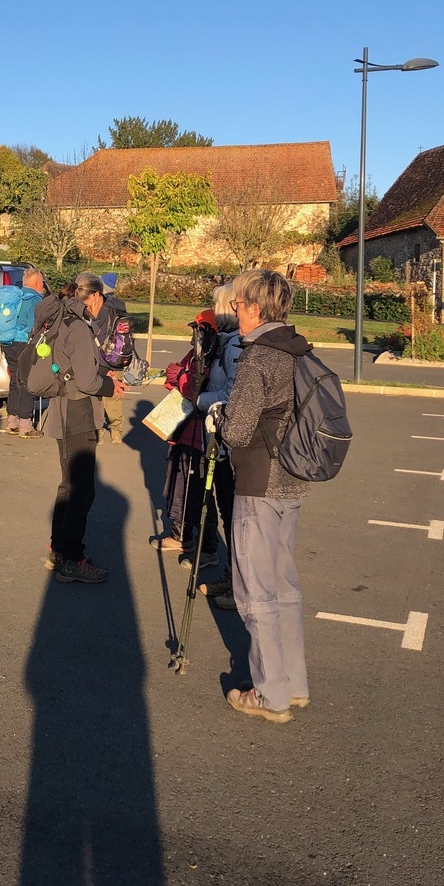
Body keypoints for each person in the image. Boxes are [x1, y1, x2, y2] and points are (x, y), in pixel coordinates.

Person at [207, 268, 311, 724]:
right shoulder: (297, 348)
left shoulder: (258, 358)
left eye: (238, 304)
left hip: (258, 481)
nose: (235, 312)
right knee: (284, 586)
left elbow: (238, 429)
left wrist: (218, 416)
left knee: (256, 592)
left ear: (253, 308)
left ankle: (270, 694)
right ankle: (293, 683)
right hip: (293, 476)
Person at [40, 274, 125, 584]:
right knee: (81, 491)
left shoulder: (61, 320)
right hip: (77, 411)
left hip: (62, 409)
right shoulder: (78, 327)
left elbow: (73, 367)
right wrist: (111, 386)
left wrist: (100, 373)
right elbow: (88, 381)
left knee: (68, 486)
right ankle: (73, 559)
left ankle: (59, 549)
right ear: (94, 297)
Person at [149, 309, 219, 568]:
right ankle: (181, 535)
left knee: (200, 492)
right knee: (178, 487)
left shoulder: (214, 357)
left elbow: (194, 389)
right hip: (183, 430)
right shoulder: (195, 355)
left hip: (202, 435)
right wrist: (180, 378)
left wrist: (181, 377)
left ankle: (208, 547)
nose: (193, 333)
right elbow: (174, 379)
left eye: (198, 329)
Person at [194, 282, 243, 607]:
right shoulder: (226, 341)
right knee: (228, 511)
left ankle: (239, 583)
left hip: (228, 440)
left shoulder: (235, 344)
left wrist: (200, 399)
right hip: (219, 437)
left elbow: (232, 394)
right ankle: (232, 574)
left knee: (234, 514)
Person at [84, 272, 135, 444]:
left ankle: (98, 431)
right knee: (114, 396)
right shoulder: (119, 306)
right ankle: (116, 430)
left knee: (96, 396)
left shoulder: (98, 307)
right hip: (117, 358)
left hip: (99, 358)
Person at [0, 268, 46, 438]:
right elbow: (34, 327)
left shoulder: (15, 297)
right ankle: (26, 425)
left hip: (8, 342)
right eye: (42, 282)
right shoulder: (35, 300)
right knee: (26, 382)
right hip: (23, 343)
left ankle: (12, 422)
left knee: (15, 381)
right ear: (37, 283)